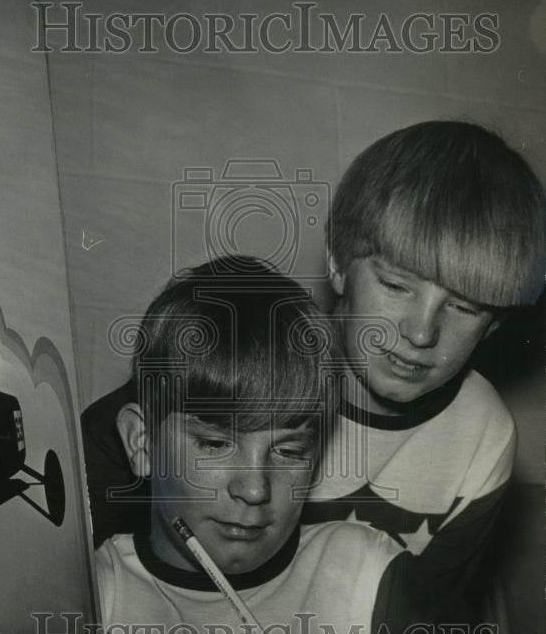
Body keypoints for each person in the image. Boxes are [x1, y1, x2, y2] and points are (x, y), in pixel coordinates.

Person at [96, 258, 545, 634]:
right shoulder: (93, 590)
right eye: (214, 444)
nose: (255, 489)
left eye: (289, 451)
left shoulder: (365, 572)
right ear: (140, 442)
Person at [84, 121, 546, 599]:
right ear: (337, 263)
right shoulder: (246, 359)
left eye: (464, 307)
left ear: (494, 324)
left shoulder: (486, 436)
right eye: (395, 285)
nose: (421, 333)